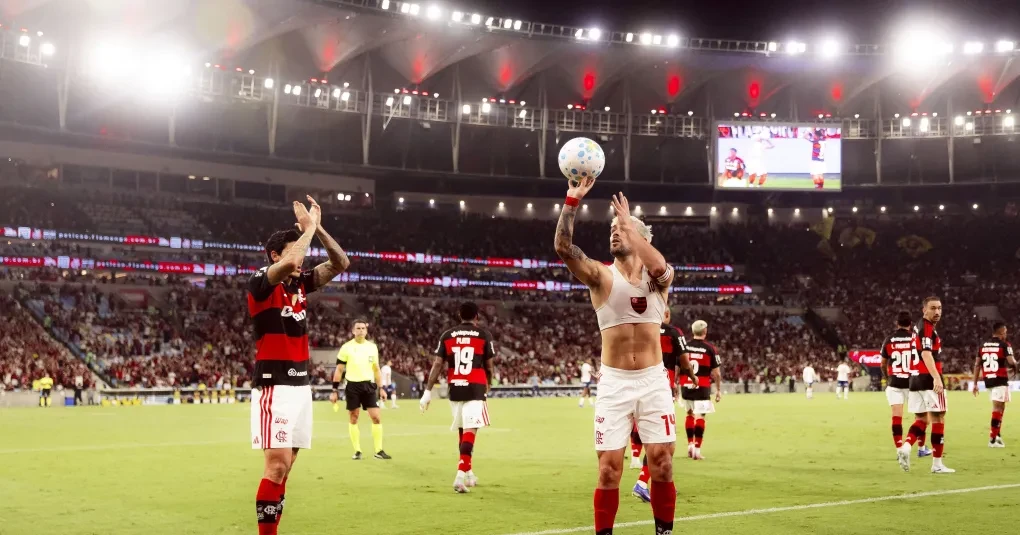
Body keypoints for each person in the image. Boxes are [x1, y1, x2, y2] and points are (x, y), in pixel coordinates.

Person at [554, 180, 677, 535]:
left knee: (663, 463)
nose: (614, 233)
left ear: (640, 238)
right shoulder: (600, 276)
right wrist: (572, 201)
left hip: (654, 380)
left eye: (619, 229)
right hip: (614, 382)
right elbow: (563, 247)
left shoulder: (659, 280)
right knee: (609, 468)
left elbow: (657, 265)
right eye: (611, 229)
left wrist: (629, 224)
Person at [249, 196, 350, 535]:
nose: (302, 257)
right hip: (273, 385)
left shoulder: (301, 284)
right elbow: (290, 260)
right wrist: (305, 232)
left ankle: (272, 524)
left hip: (301, 386)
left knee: (287, 466)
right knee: (276, 465)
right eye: (296, 251)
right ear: (276, 255)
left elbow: (340, 262)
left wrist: (317, 229)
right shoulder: (261, 281)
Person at [420, 302, 496, 493]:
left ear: (459, 315)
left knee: (463, 430)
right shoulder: (483, 335)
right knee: (471, 430)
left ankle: (469, 473)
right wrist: (490, 383)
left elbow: (437, 364)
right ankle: (460, 475)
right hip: (476, 387)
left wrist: (428, 391)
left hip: (455, 386)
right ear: (477, 316)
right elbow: (489, 366)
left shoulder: (447, 335)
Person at [633, 308, 695, 502]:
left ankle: (663, 483)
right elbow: (684, 361)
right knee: (665, 440)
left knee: (654, 437)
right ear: (666, 314)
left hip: (637, 385)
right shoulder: (673, 332)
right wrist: (692, 377)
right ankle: (643, 483)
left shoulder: (640, 329)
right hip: (659, 388)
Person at [897, 296, 953, 473]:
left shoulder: (917, 328)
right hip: (928, 379)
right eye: (933, 308)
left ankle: (906, 447)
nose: (937, 312)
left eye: (939, 308)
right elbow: (926, 354)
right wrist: (936, 378)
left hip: (914, 379)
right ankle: (937, 465)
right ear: (924, 310)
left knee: (921, 419)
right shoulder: (927, 328)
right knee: (938, 418)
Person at [330, 320, 391, 461]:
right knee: (354, 417)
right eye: (358, 328)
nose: (361, 331)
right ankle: (357, 450)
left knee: (376, 416)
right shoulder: (346, 347)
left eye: (363, 328)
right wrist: (334, 390)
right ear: (353, 331)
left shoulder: (372, 347)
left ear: (366, 330)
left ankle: (378, 450)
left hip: (368, 385)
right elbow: (339, 370)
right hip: (352, 386)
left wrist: (381, 388)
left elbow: (376, 369)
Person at [881, 311, 929, 454]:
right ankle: (921, 448)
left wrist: (886, 377)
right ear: (910, 324)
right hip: (913, 383)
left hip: (894, 383)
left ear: (897, 323)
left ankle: (899, 448)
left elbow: (883, 364)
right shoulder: (915, 339)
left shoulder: (889, 340)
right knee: (921, 416)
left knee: (897, 417)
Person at [679, 320, 722, 461]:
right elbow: (717, 373)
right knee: (700, 417)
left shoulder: (685, 346)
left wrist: (675, 383)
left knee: (689, 414)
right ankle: (697, 449)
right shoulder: (710, 349)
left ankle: (690, 445)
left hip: (686, 385)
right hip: (702, 387)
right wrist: (718, 390)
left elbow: (678, 366)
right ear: (705, 331)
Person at [972, 322, 1018, 448]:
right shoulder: (1004, 345)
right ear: (1002, 331)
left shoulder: (983, 345)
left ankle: (997, 435)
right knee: (998, 408)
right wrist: (1016, 364)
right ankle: (992, 439)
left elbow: (977, 365)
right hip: (1000, 380)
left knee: (1001, 407)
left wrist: (975, 383)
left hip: (988, 380)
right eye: (1006, 331)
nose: (1006, 334)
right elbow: (1011, 361)